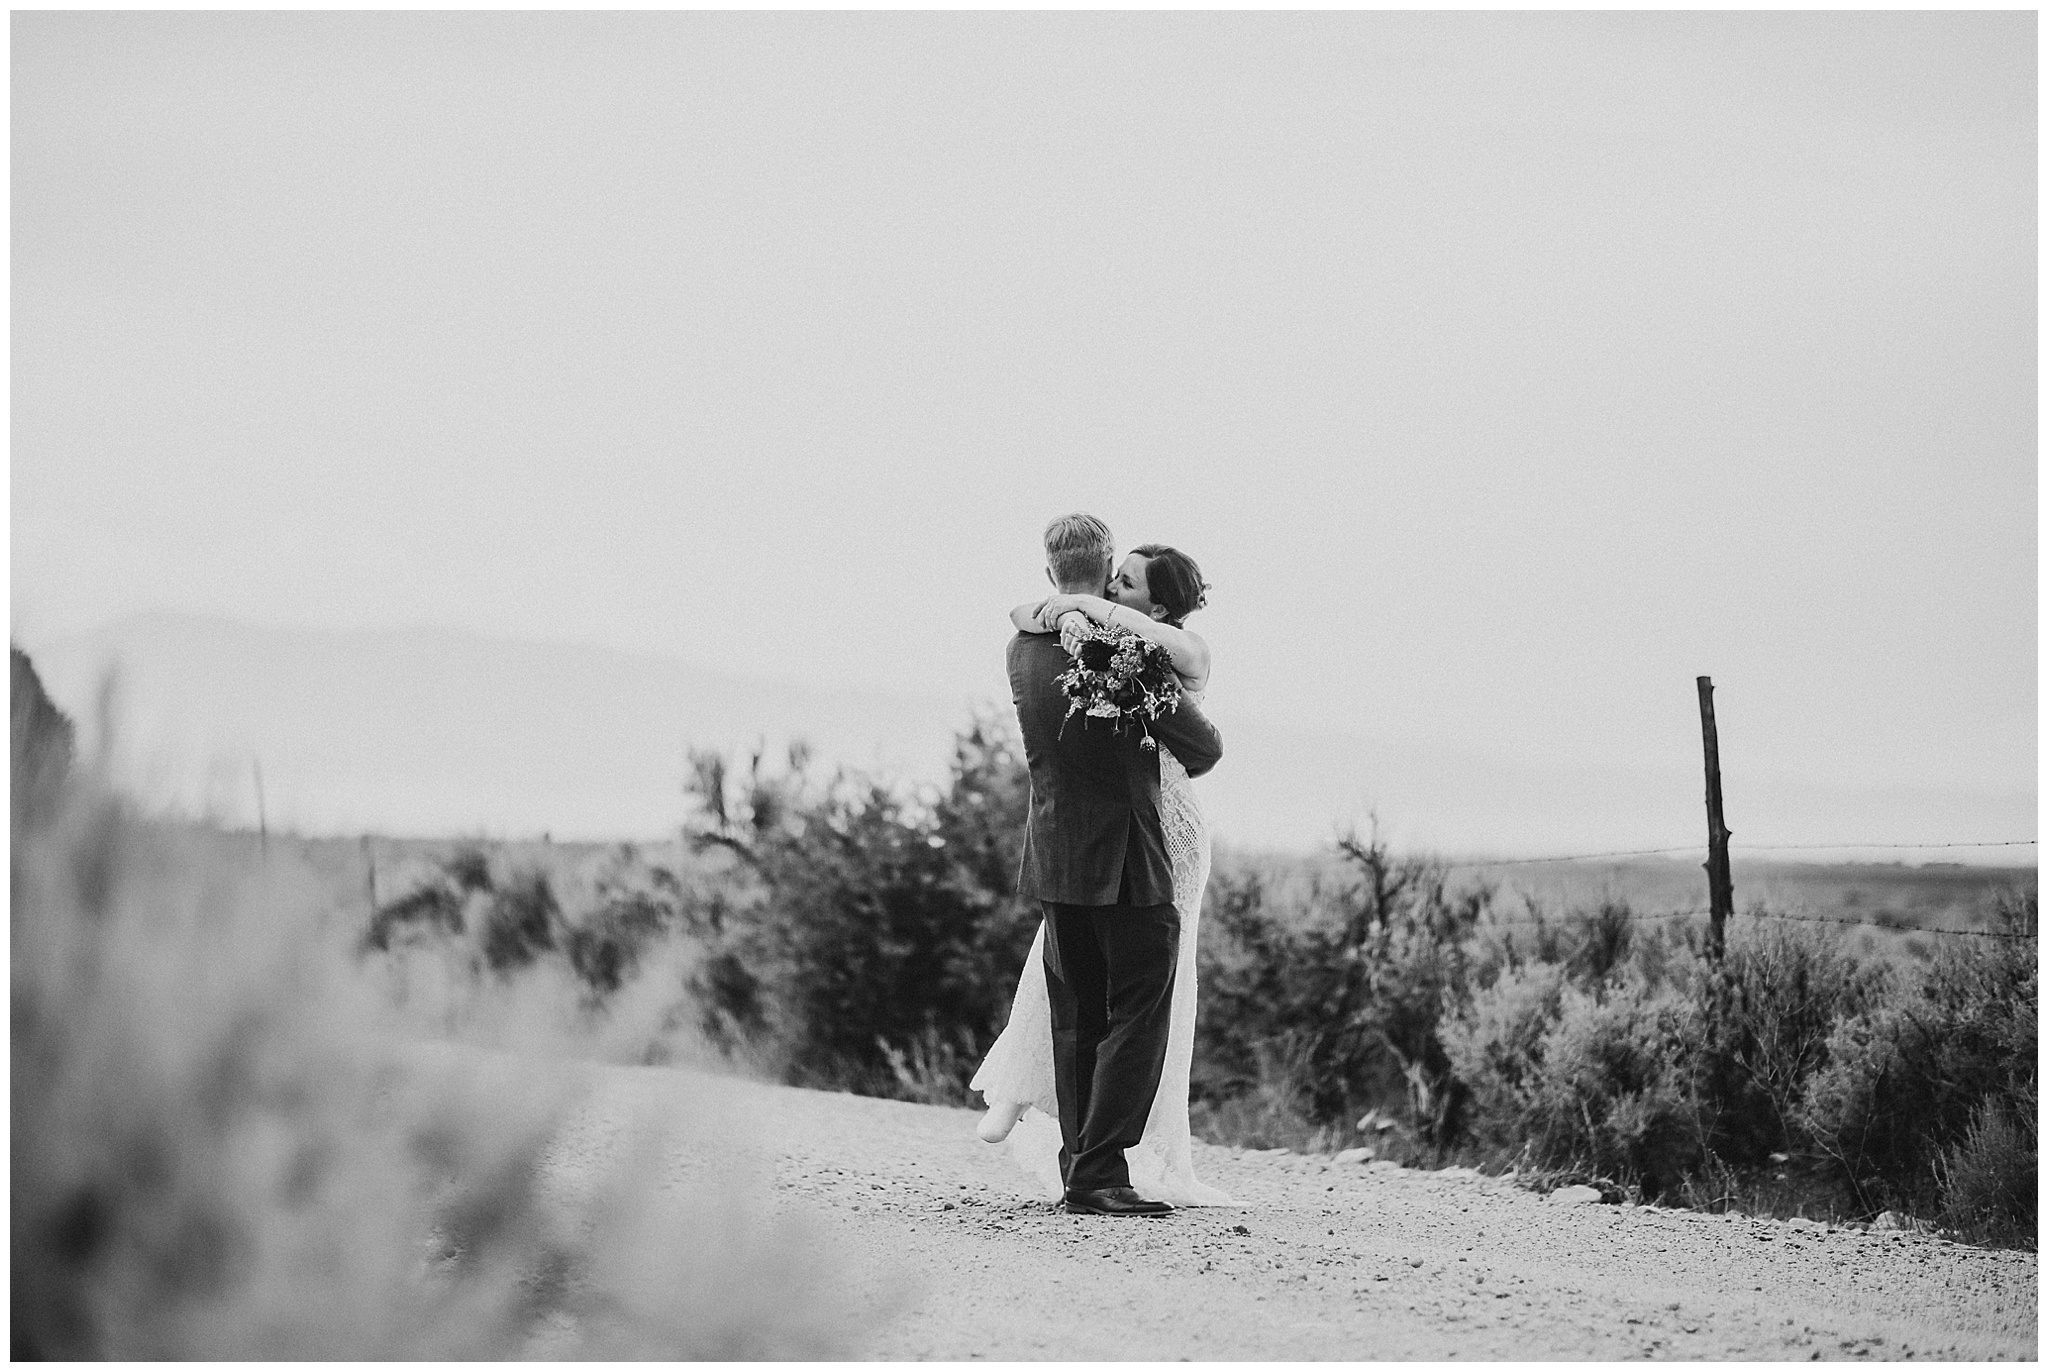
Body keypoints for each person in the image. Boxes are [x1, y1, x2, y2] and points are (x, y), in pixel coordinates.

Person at [972, 514, 1231, 1214]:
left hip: (1055, 850)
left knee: (1076, 1016)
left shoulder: (1022, 647)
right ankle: (1101, 1172)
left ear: (1048, 566)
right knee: (1140, 1011)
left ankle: (1079, 1171)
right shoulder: (1123, 649)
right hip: (1127, 853)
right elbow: (1200, 749)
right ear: (1107, 561)